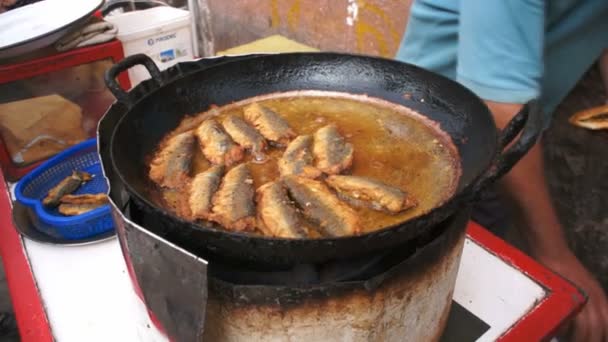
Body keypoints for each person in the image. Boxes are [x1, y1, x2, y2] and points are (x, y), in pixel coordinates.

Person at [395, 1, 608, 341]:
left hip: (500, 140)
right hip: (436, 152)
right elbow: (501, 113)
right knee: (429, 298)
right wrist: (555, 256)